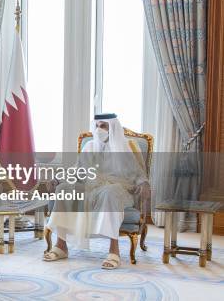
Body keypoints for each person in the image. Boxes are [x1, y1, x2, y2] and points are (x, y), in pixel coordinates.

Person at [43, 113, 149, 269]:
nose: (99, 129)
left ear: (112, 127)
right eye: (97, 126)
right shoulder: (90, 146)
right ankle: (61, 246)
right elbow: (76, 170)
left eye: (103, 126)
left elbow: (138, 174)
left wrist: (144, 183)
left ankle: (114, 251)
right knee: (64, 189)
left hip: (119, 189)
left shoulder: (125, 148)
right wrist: (58, 180)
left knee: (110, 192)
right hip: (91, 187)